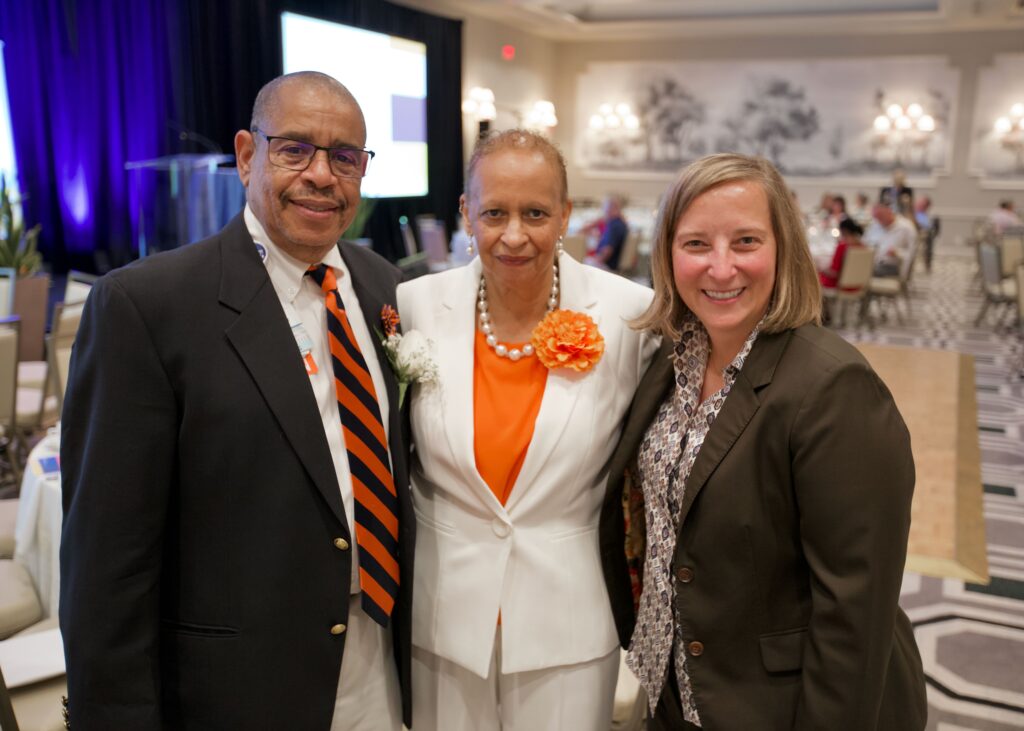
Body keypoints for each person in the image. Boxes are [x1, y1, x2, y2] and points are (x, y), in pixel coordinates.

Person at [60, 71, 414, 729]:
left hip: (380, 667)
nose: (321, 174)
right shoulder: (147, 306)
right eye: (295, 149)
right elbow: (107, 564)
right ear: (248, 154)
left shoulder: (385, 286)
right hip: (237, 690)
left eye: (344, 157)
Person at [599, 153, 926, 730]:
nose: (720, 268)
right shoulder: (671, 361)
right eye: (696, 244)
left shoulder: (834, 389)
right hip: (674, 688)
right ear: (667, 254)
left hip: (776, 705)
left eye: (746, 241)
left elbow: (854, 613)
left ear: (784, 249)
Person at [397, 129, 659, 731]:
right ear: (466, 213)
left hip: (568, 622)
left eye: (536, 213)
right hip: (442, 621)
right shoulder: (414, 305)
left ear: (566, 214)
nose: (514, 234)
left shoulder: (628, 315)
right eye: (494, 212)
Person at [865, 202, 917, 277]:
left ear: (889, 212)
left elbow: (912, 255)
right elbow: (863, 243)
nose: (878, 221)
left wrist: (897, 252)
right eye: (876, 217)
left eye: (881, 217)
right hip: (872, 263)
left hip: (892, 267)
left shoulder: (906, 228)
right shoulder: (874, 225)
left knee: (859, 271)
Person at [819, 217, 866, 289]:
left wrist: (822, 269)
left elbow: (834, 273)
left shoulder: (842, 247)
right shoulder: (863, 247)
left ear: (843, 231)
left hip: (839, 286)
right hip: (859, 286)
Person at [589, 194, 629, 270]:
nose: (604, 211)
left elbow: (607, 250)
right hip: (615, 265)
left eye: (604, 207)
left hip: (608, 266)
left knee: (581, 263)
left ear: (611, 208)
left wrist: (596, 260)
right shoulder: (621, 223)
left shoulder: (614, 225)